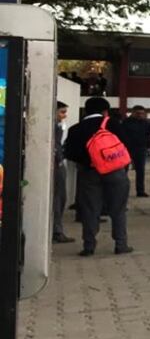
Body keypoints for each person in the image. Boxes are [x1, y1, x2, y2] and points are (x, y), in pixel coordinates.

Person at [62, 96, 133, 256]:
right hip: (115, 171)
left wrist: (88, 162)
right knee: (118, 209)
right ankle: (121, 244)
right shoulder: (113, 124)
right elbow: (126, 145)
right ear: (105, 111)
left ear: (86, 110)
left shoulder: (76, 128)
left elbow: (71, 153)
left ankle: (89, 246)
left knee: (90, 209)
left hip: (89, 173)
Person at [52, 101, 75, 244]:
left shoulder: (58, 126)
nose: (64, 116)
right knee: (58, 198)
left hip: (58, 163)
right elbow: (55, 146)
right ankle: (57, 231)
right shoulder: (55, 127)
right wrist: (60, 160)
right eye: (62, 112)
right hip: (56, 165)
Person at [122, 105, 150, 197]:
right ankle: (123, 190)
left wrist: (146, 144)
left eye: (142, 113)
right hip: (127, 149)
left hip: (141, 148)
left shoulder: (146, 123)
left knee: (140, 171)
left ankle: (140, 191)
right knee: (124, 170)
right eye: (138, 113)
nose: (140, 115)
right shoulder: (126, 122)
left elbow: (148, 135)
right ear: (133, 113)